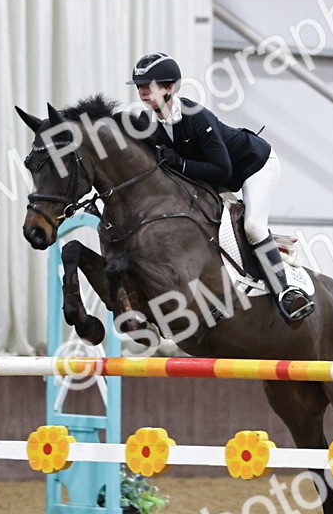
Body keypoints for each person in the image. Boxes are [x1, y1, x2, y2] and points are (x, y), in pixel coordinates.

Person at [126, 52, 314, 323]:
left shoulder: (196, 117)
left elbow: (222, 169)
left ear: (169, 88)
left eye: (150, 85)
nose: (143, 91)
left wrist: (180, 164)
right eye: (139, 86)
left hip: (254, 167)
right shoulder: (152, 124)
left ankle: (285, 292)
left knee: (252, 227)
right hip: (216, 180)